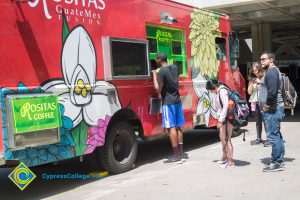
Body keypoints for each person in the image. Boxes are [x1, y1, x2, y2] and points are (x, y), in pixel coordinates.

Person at [152, 53, 186, 164]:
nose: (155, 60)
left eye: (155, 59)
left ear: (158, 60)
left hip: (168, 102)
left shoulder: (161, 72)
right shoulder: (175, 67)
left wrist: (154, 75)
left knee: (171, 127)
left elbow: (158, 89)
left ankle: (176, 155)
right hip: (177, 100)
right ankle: (181, 153)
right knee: (178, 127)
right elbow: (168, 71)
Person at [259, 51, 285, 172]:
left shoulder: (272, 72)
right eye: (261, 60)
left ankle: (277, 162)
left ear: (271, 60)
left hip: (273, 109)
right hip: (275, 108)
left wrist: (267, 106)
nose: (262, 62)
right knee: (277, 136)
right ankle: (279, 160)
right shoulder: (272, 72)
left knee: (273, 136)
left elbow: (272, 92)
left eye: (264, 59)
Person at [206, 79, 235, 168]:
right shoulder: (219, 91)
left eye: (211, 90)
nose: (211, 92)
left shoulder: (222, 91)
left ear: (214, 87)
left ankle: (230, 161)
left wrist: (220, 120)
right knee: (222, 138)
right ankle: (225, 156)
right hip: (223, 117)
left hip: (227, 119)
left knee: (227, 139)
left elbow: (226, 106)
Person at [247, 62, 269, 146]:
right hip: (254, 102)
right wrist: (251, 83)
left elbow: (268, 89)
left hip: (263, 102)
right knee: (258, 121)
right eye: (253, 71)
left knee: (265, 120)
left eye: (256, 70)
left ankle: (268, 138)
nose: (255, 72)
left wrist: (260, 82)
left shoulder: (264, 77)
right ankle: (258, 138)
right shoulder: (251, 79)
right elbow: (249, 92)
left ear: (260, 69)